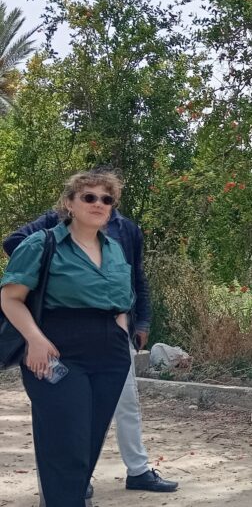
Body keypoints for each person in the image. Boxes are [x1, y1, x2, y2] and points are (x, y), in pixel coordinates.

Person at [3, 173, 178, 497]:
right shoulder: (42, 242)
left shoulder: (115, 249)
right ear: (69, 203)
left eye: (106, 199)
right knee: (64, 445)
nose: (99, 203)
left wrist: (125, 331)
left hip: (110, 353)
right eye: (89, 197)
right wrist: (34, 339)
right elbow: (10, 298)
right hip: (57, 348)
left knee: (86, 447)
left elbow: (126, 296)